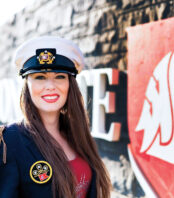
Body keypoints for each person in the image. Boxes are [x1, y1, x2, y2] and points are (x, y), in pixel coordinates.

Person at [0, 36, 111, 198]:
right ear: (27, 85)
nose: (50, 86)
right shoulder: (9, 142)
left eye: (60, 76)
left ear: (70, 84)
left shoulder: (76, 134)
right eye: (40, 77)